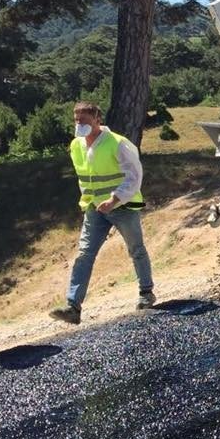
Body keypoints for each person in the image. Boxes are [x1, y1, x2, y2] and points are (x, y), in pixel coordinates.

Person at [49, 102, 156, 324]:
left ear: (97, 119)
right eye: (77, 119)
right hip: (95, 209)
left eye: (84, 120)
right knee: (84, 254)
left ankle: (146, 293)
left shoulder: (117, 143)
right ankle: (73, 306)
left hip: (122, 207)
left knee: (136, 249)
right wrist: (90, 202)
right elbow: (85, 177)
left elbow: (134, 176)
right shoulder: (76, 146)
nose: (80, 124)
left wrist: (114, 199)